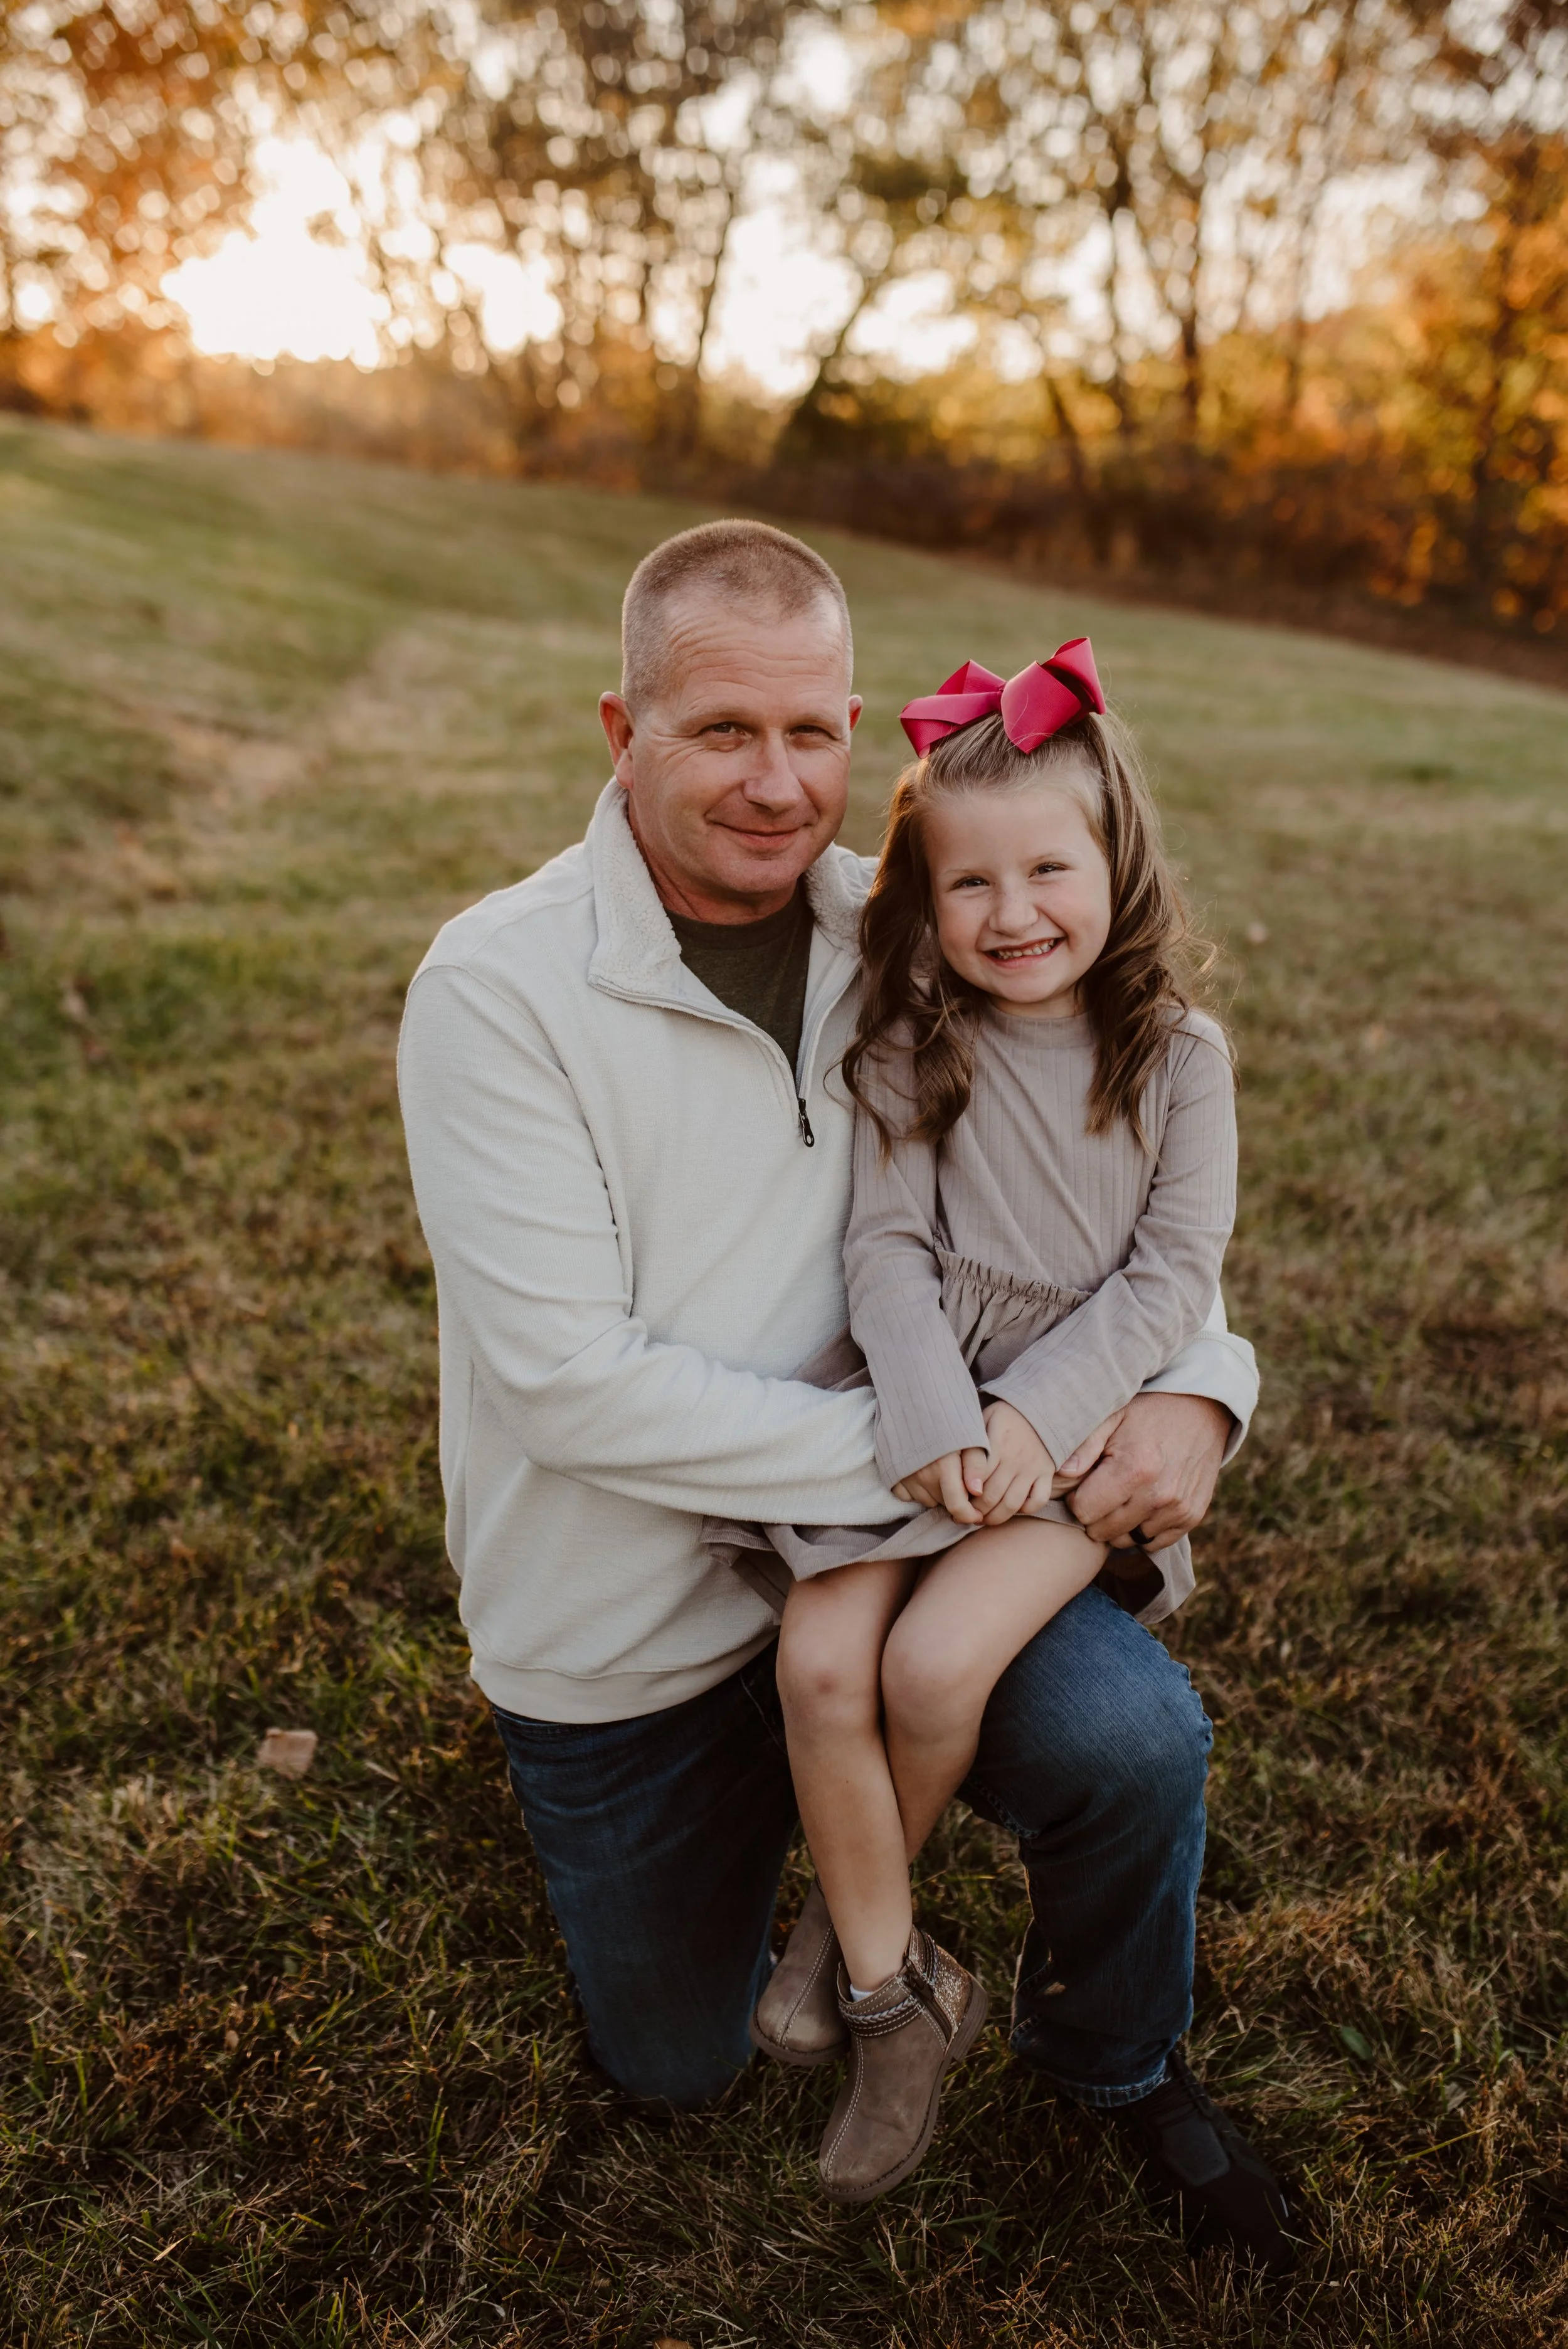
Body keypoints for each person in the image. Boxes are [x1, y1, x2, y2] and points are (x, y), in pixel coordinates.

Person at [397, 519, 1295, 2269]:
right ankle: (845, 1904)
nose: (774, 782)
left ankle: (1115, 2060)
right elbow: (571, 1388)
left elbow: (1108, 1220)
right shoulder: (497, 992)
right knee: (678, 2064)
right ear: (622, 732)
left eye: (810, 731)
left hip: (940, 1505)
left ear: (857, 732)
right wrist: (957, 1459)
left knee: (1130, 1743)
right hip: (646, 1620)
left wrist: (1201, 1388)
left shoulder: (914, 920)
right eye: (721, 731)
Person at [713, 639, 1239, 2207]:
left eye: (1048, 870)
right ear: (923, 894)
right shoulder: (909, 1036)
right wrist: (939, 1410)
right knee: (824, 1663)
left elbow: (1170, 1278)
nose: (1012, 914)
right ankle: (894, 1976)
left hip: (1067, 1442)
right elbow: (882, 1248)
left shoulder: (1177, 1058)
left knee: (935, 1667)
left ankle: (846, 1934)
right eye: (969, 883)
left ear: (1116, 859)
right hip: (913, 1404)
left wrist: (1029, 1413)